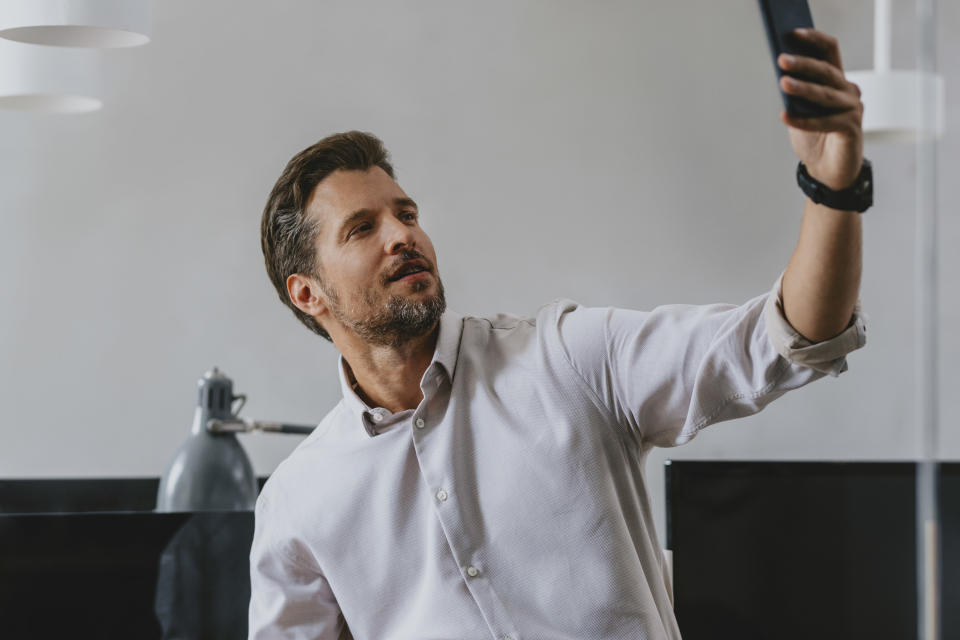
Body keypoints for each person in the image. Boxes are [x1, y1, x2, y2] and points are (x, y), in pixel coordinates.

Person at [249, 28, 869, 640]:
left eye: (406, 214)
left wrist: (833, 186)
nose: (402, 235)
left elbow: (782, 339)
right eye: (362, 228)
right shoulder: (297, 501)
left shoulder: (566, 360)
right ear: (309, 293)